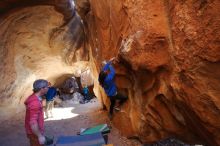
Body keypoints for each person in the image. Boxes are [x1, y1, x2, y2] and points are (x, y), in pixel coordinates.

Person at [24, 79, 51, 146]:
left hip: (33, 131)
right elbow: (33, 123)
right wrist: (39, 136)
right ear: (42, 89)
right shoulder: (35, 102)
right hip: (34, 133)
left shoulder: (33, 97)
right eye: (47, 87)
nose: (48, 88)